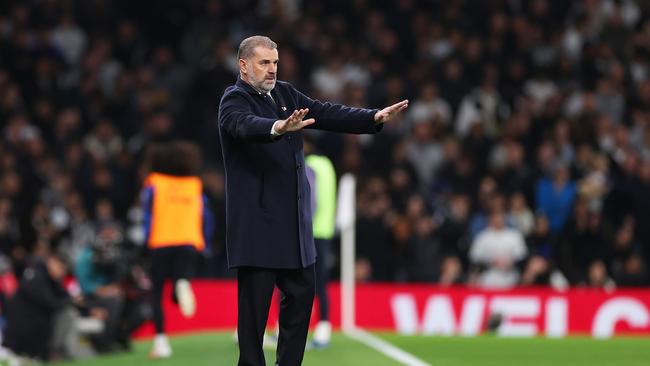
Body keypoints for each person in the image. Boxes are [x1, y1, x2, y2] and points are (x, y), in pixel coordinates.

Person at [218, 35, 408, 366]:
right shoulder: (234, 99)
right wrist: (278, 127)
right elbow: (242, 126)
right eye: (264, 62)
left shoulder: (285, 93)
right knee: (253, 318)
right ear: (244, 65)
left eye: (275, 62)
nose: (272, 69)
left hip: (294, 226)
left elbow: (325, 112)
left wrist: (371, 118)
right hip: (259, 226)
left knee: (302, 298)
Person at [141, 141, 213, 358]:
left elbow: (147, 214)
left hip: (161, 241)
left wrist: (146, 241)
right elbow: (207, 217)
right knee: (181, 278)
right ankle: (182, 283)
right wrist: (204, 242)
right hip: (189, 242)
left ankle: (162, 343)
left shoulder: (154, 183)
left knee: (156, 294)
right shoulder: (194, 185)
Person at [304, 135, 336, 349]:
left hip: (309, 232)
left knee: (291, 281)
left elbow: (310, 200)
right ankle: (323, 330)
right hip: (325, 231)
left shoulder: (309, 165)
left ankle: (281, 330)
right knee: (320, 284)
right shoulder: (327, 166)